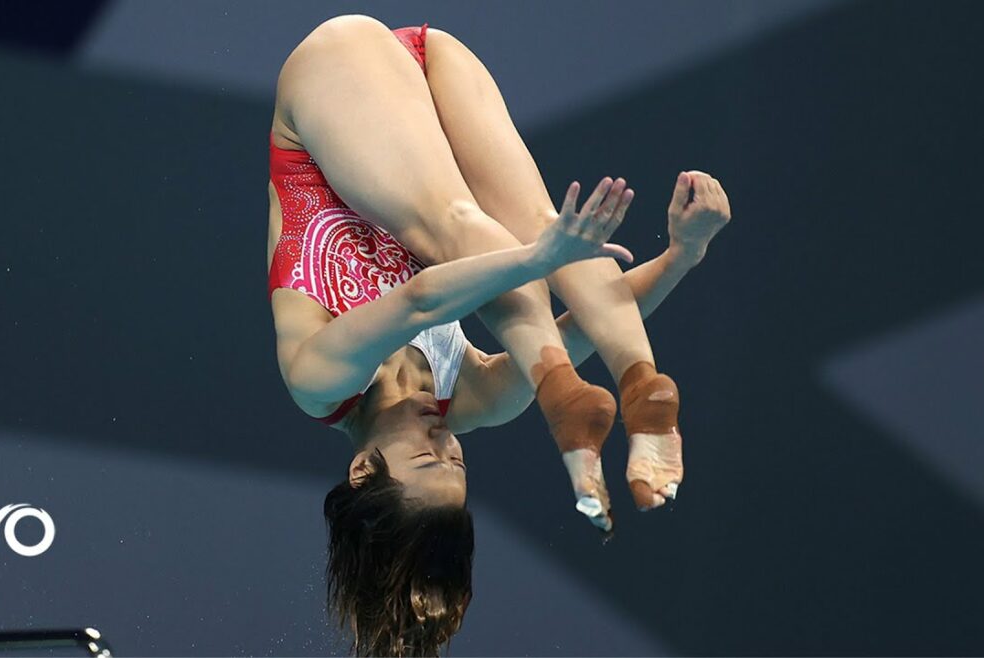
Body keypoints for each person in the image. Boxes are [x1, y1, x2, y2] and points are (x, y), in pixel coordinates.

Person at [266, 15, 731, 656]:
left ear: (362, 470)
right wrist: (684, 254)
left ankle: (562, 396)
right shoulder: (479, 399)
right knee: (546, 229)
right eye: (458, 460)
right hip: (429, 64)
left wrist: (538, 260)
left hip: (334, 75)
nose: (445, 439)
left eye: (428, 459)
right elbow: (577, 329)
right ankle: (643, 386)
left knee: (467, 230)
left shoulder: (320, 383)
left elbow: (419, 299)